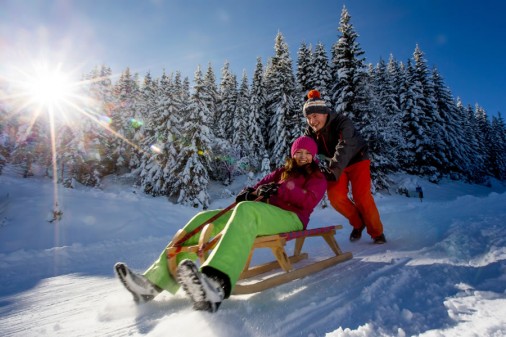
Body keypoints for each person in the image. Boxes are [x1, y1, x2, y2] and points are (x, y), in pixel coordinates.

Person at [114, 136, 327, 313]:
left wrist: (282, 190)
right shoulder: (281, 172)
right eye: (299, 152)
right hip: (266, 213)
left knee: (246, 211)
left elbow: (309, 200)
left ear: (313, 156)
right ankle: (151, 284)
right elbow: (260, 185)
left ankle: (216, 283)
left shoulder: (318, 176)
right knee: (204, 218)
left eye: (307, 153)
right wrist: (250, 192)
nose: (303, 157)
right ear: (293, 154)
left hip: (292, 218)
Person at [302, 89, 386, 244]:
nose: (312, 121)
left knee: (362, 197)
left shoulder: (342, 122)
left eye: (315, 116)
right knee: (335, 197)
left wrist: (332, 170)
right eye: (308, 118)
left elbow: (345, 146)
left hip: (357, 159)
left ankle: (376, 232)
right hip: (335, 165)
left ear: (325, 113)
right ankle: (358, 223)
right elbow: (305, 149)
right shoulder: (311, 132)